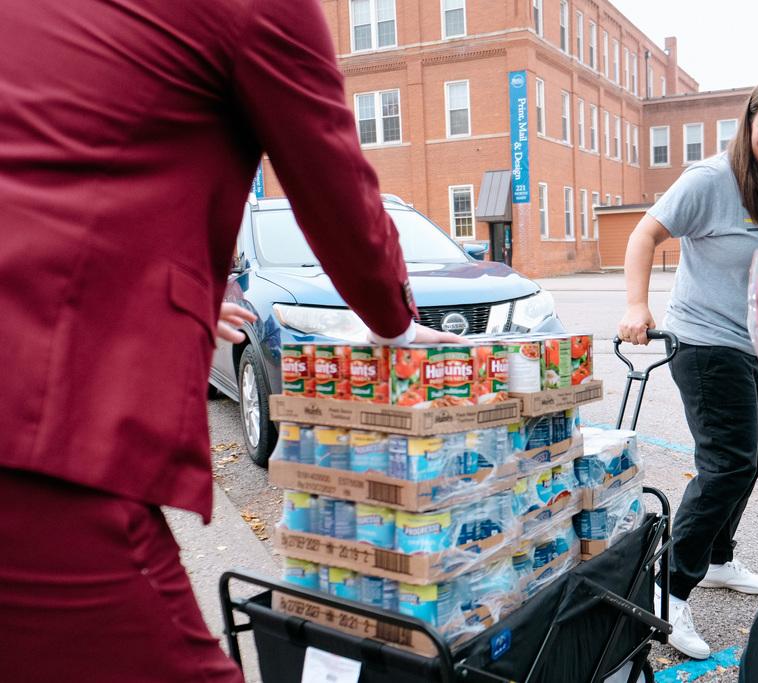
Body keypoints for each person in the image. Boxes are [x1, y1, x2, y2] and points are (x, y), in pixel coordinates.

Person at [0, 0, 463, 681]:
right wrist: (393, 322)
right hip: (32, 428)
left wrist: (172, 287)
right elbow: (336, 187)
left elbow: (57, 169)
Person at [617, 72, 758, 660]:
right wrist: (635, 304)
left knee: (748, 463)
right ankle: (667, 590)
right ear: (748, 123)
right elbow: (644, 234)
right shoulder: (710, 179)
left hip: (757, 346)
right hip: (705, 344)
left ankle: (720, 558)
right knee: (727, 464)